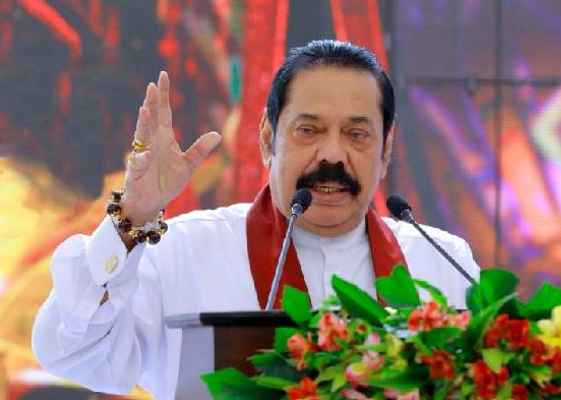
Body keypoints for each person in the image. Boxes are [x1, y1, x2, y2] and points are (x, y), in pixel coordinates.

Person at [32, 40, 479, 400]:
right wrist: (132, 218)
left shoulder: (441, 261)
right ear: (268, 138)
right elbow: (71, 352)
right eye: (309, 130)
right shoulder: (184, 252)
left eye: (356, 134)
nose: (332, 154)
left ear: (386, 150)